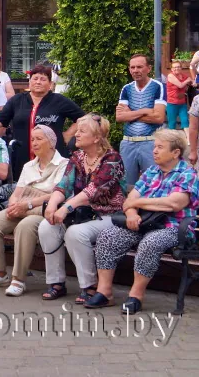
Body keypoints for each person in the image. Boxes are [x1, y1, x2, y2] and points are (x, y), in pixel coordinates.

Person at [88, 129, 199, 313]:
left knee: (150, 243)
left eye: (160, 147)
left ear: (176, 152)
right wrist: (131, 214)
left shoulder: (187, 174)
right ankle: (104, 292)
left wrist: (138, 202)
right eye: (154, 147)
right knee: (108, 236)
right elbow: (129, 200)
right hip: (143, 223)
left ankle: (136, 296)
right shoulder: (151, 172)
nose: (154, 151)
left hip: (174, 227)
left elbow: (174, 203)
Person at [38, 115, 126, 303]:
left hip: (110, 214)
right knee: (46, 226)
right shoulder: (78, 157)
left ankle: (89, 285)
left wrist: (66, 208)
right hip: (83, 214)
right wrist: (53, 204)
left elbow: (93, 190)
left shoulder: (112, 159)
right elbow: (64, 185)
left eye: (82, 131)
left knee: (75, 233)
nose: (76, 134)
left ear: (96, 138)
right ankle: (56, 282)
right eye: (77, 130)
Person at [0, 125, 67, 296]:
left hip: (43, 210)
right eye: (32, 139)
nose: (34, 142)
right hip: (22, 206)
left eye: (39, 139)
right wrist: (13, 205)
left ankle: (18, 280)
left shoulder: (63, 164)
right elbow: (16, 193)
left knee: (25, 226)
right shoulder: (29, 166)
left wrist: (27, 205)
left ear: (51, 143)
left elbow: (57, 193)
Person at [0, 64, 84, 181]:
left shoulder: (59, 101)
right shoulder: (17, 100)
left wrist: (68, 134)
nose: (38, 82)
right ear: (29, 82)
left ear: (50, 84)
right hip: (22, 156)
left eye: (43, 79)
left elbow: (82, 118)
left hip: (51, 157)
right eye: (35, 78)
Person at [116, 54, 167, 188]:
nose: (135, 70)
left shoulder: (158, 87)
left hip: (150, 142)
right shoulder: (126, 89)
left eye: (139, 67)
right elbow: (120, 117)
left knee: (152, 185)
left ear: (148, 68)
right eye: (132, 67)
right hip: (128, 142)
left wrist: (130, 113)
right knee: (126, 186)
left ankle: (150, 209)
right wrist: (144, 111)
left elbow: (159, 118)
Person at [167, 60, 191, 134]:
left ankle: (188, 141)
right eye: (174, 67)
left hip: (182, 103)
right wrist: (187, 81)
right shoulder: (170, 76)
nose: (176, 69)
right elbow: (180, 85)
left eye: (178, 67)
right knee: (172, 123)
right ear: (171, 69)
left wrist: (193, 83)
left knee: (185, 121)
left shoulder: (183, 76)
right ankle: (172, 141)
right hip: (172, 103)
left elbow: (191, 81)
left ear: (181, 68)